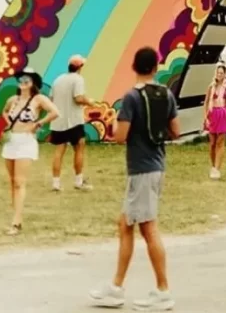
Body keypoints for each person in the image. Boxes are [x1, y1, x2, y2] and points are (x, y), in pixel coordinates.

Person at [89, 47, 179, 310]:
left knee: (148, 228)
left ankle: (163, 290)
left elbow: (120, 136)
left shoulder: (131, 97)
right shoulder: (166, 94)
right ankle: (116, 286)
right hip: (156, 165)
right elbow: (176, 131)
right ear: (156, 67)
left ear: (134, 66)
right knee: (126, 223)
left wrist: (113, 124)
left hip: (141, 168)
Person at [1, 68, 59, 236]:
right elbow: (4, 112)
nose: (24, 81)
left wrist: (38, 124)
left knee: (20, 182)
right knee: (12, 181)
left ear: (33, 82)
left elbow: (55, 112)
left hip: (26, 142)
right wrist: (8, 124)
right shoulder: (13, 99)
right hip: (11, 141)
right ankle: (16, 215)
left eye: (28, 79)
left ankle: (16, 223)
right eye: (21, 78)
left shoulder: (38, 99)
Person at [49, 54, 94, 192]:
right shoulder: (78, 79)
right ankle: (78, 181)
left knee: (59, 151)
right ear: (80, 67)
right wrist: (89, 102)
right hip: (74, 120)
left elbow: (51, 98)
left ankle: (56, 183)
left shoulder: (58, 80)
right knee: (79, 147)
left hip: (58, 121)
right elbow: (78, 98)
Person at [203, 64, 226, 180]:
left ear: (225, 74)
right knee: (212, 143)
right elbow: (206, 102)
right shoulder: (211, 86)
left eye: (221, 73)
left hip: (223, 113)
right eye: (218, 73)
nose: (219, 75)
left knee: (220, 142)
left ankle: (217, 168)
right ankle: (213, 166)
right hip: (213, 114)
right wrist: (206, 117)